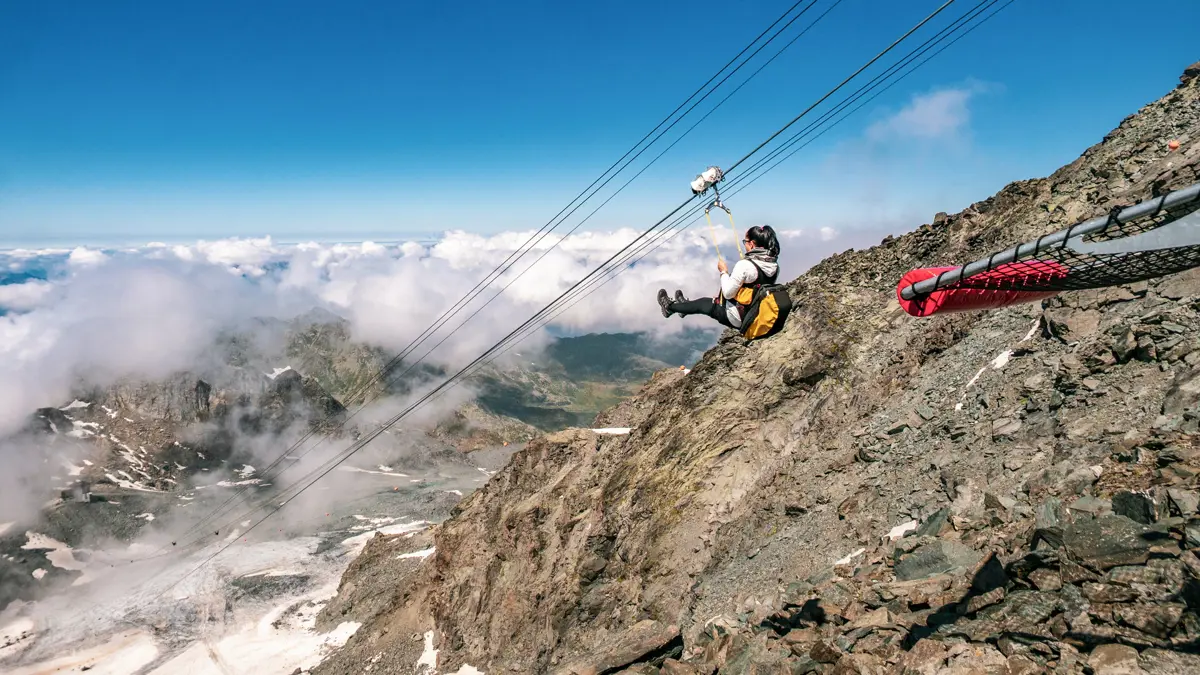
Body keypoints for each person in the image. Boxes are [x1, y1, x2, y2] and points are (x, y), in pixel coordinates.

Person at [658, 225, 780, 329]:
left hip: (738, 317)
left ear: (752, 244)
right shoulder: (774, 265)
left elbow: (727, 293)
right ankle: (684, 307)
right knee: (708, 302)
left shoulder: (745, 265)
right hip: (754, 313)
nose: (745, 245)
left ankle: (670, 308)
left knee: (704, 304)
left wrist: (723, 272)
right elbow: (752, 290)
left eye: (745, 242)